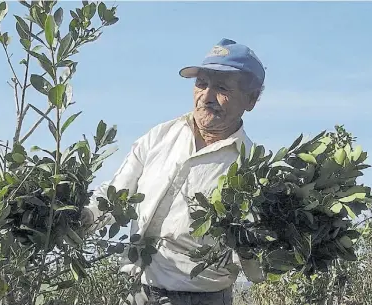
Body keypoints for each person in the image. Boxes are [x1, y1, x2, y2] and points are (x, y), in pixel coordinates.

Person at [81, 38, 267, 305]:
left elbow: (257, 265)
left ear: (251, 99)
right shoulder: (159, 136)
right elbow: (115, 195)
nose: (206, 96)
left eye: (221, 88)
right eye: (201, 84)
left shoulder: (253, 166)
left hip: (203, 299)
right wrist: (82, 217)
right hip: (139, 292)